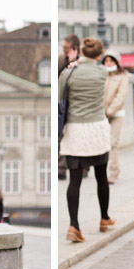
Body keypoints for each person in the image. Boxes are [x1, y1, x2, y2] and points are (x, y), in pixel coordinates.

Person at [59, 37, 113, 242]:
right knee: (101, 176)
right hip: (96, 129)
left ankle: (74, 226)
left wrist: (72, 65)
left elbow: (59, 98)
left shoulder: (69, 72)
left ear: (81, 51)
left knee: (75, 180)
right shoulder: (102, 72)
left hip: (75, 130)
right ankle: (104, 218)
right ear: (99, 55)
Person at [102, 50, 129, 184]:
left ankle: (113, 172)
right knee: (102, 143)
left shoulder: (122, 77)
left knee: (113, 143)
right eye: (106, 61)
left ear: (116, 62)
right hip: (101, 114)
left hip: (116, 114)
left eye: (111, 61)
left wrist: (110, 110)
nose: (108, 63)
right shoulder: (102, 75)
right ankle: (101, 170)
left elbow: (121, 96)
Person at [58, 34, 82, 180]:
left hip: (77, 103)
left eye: (66, 48)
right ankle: (61, 168)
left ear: (75, 48)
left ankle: (83, 168)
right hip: (63, 104)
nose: (64, 50)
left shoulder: (83, 61)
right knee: (61, 135)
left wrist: (74, 62)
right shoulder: (61, 59)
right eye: (63, 47)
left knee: (78, 136)